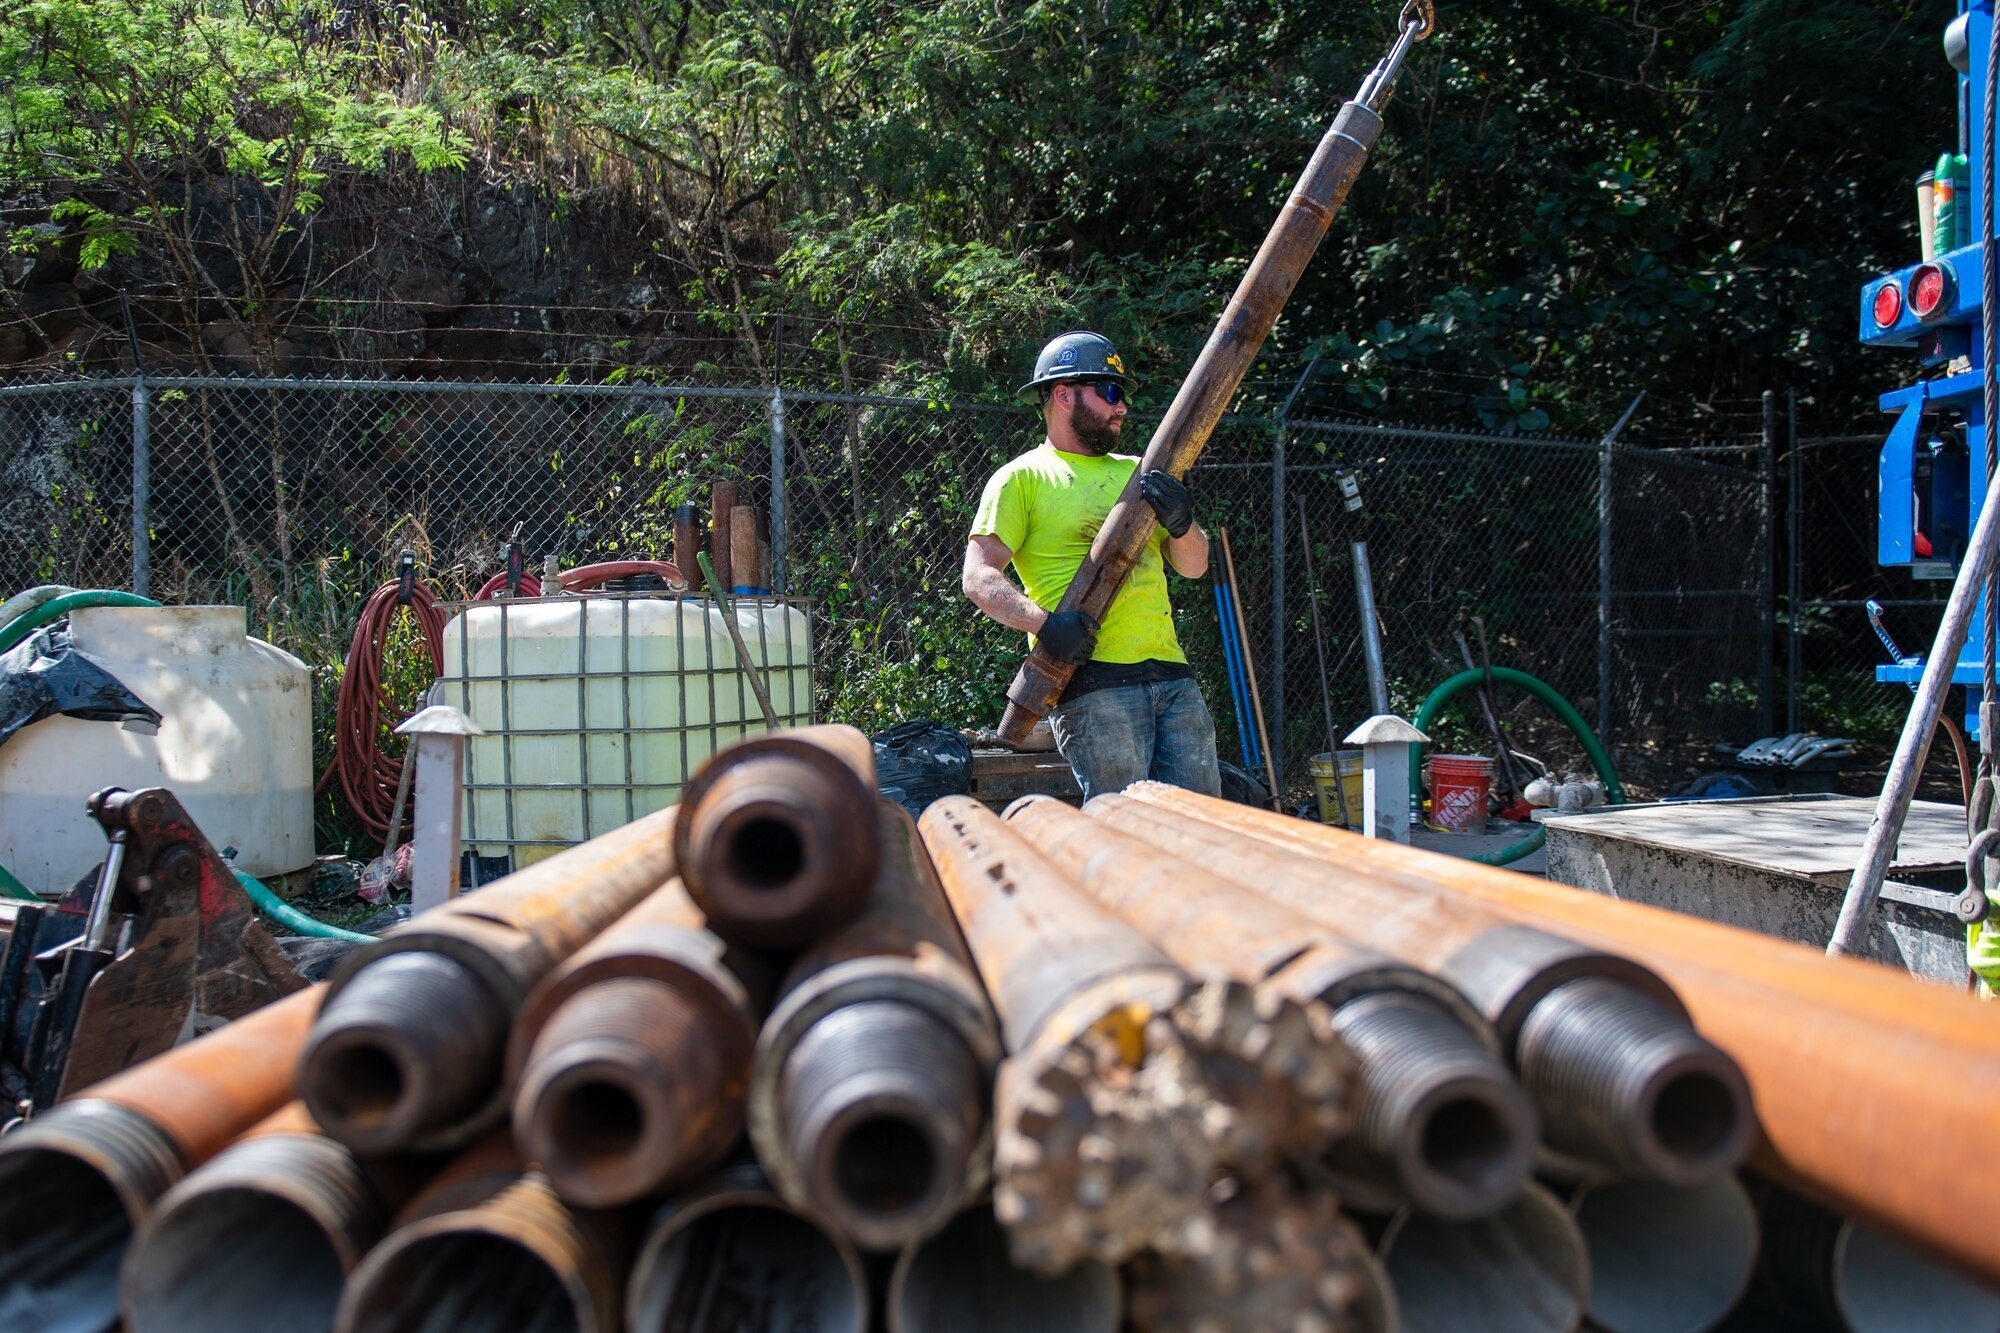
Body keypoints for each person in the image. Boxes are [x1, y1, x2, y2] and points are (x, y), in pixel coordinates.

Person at [962, 330, 1221, 800]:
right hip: (1094, 683)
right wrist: (1046, 625)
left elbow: (1194, 568)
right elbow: (978, 578)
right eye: (1109, 392)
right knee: (1123, 829)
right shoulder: (1021, 479)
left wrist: (1182, 523)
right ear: (1063, 394)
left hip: (1173, 675)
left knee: (1204, 828)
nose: (1121, 406)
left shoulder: (1140, 471)